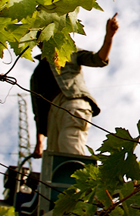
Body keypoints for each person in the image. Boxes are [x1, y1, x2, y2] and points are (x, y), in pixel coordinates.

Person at [39, 13, 118, 156]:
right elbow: (38, 111)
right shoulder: (38, 73)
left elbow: (98, 59)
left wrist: (109, 37)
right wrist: (39, 142)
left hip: (72, 101)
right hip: (52, 115)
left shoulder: (69, 51)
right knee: (53, 159)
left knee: (69, 144)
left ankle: (80, 176)